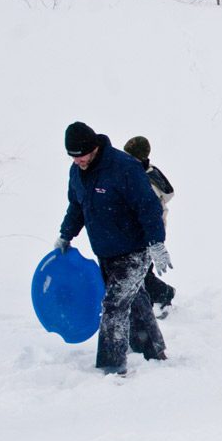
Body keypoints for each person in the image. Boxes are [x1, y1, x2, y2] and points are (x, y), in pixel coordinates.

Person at [55, 121, 172, 374]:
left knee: (113, 305)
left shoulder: (124, 167)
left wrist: (156, 243)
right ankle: (152, 349)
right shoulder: (77, 172)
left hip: (133, 251)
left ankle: (112, 364)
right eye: (72, 157)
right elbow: (77, 206)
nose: (78, 162)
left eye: (81, 156)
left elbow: (148, 207)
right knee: (136, 299)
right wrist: (65, 235)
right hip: (105, 251)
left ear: (93, 147)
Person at [124, 135, 176, 318]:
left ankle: (164, 294)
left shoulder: (144, 178)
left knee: (142, 271)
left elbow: (149, 210)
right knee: (141, 269)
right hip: (145, 230)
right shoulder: (147, 172)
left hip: (149, 231)